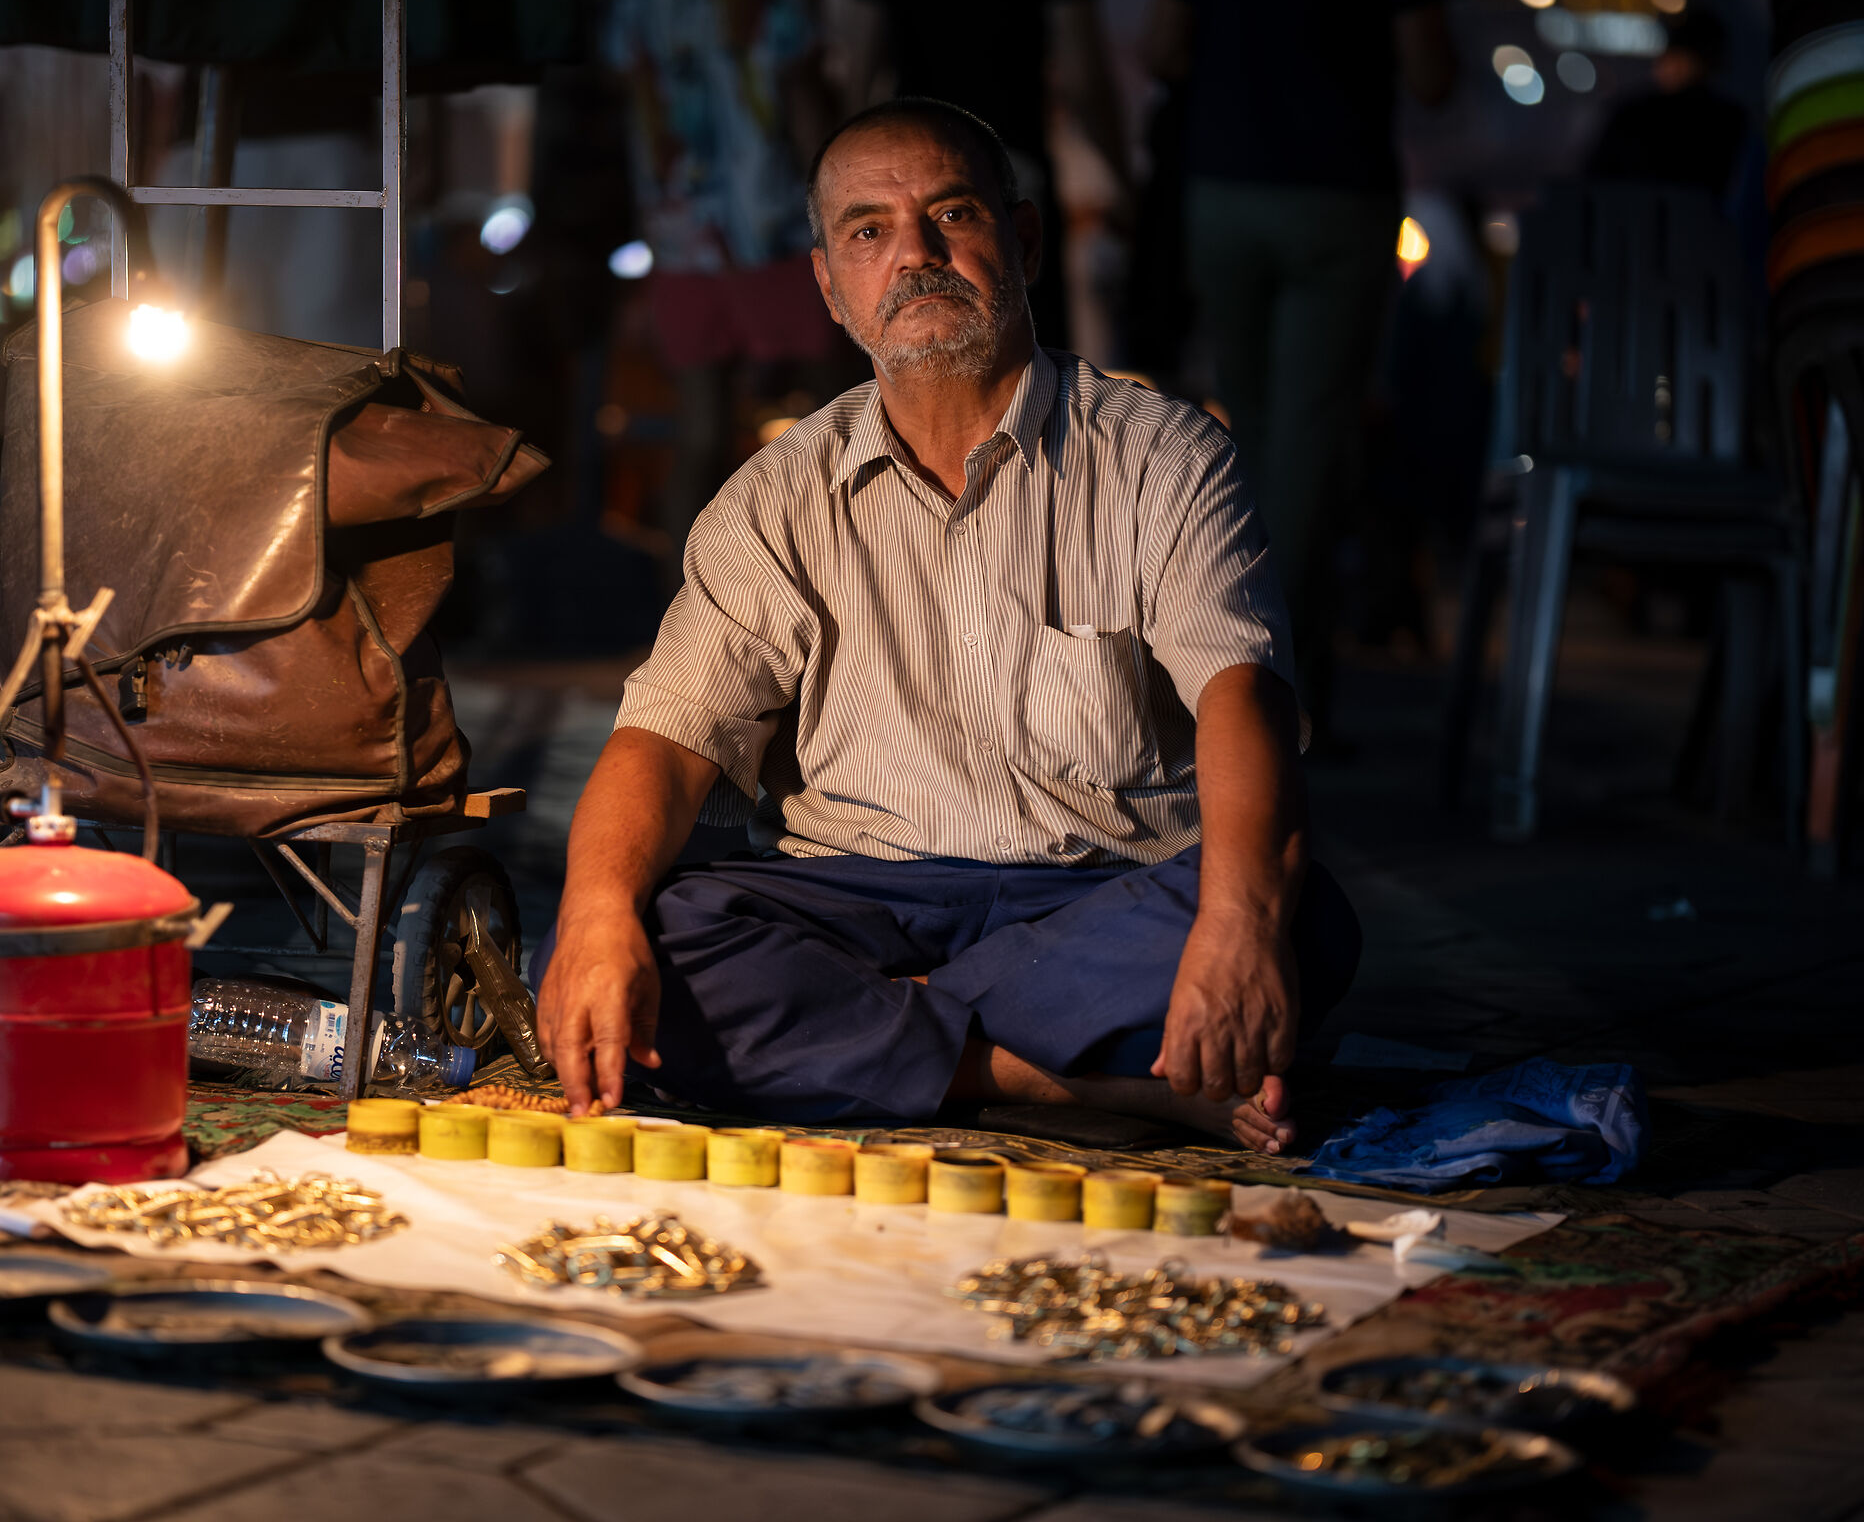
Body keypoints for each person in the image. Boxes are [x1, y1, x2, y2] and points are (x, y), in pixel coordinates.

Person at [533, 98, 1361, 1152]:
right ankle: (1084, 1080)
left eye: (953, 214)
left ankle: (873, 1032)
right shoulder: (776, 497)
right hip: (859, 896)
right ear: (829, 285)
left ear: (1023, 241)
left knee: (1297, 917)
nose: (915, 254)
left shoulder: (1164, 457)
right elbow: (665, 736)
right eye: (868, 231)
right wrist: (597, 915)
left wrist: (1237, 924)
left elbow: (1242, 693)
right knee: (623, 935)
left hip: (1102, 895)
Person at [1144, 0, 1454, 739]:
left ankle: (1225, 673)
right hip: (1338, 194)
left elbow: (1161, 48)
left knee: (1246, 435)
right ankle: (1282, 687)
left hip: (1223, 190)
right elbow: (1431, 73)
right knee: (1310, 443)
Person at [604, 0, 842, 557]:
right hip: (775, 217)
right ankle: (854, 589)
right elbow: (800, 77)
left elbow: (628, 82)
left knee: (700, 432)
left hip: (679, 224)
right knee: (841, 421)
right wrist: (841, 197)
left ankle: (683, 607)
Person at [852, 0, 1127, 353]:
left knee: (928, 336)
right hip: (1012, 168)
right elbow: (1083, 78)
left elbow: (858, 76)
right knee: (1024, 346)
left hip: (913, 173)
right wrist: (1124, 175)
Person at [1587, 7, 1748, 201]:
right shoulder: (1730, 120)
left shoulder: (1633, 115)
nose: (1661, 66)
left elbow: (1594, 179)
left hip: (1633, 215)